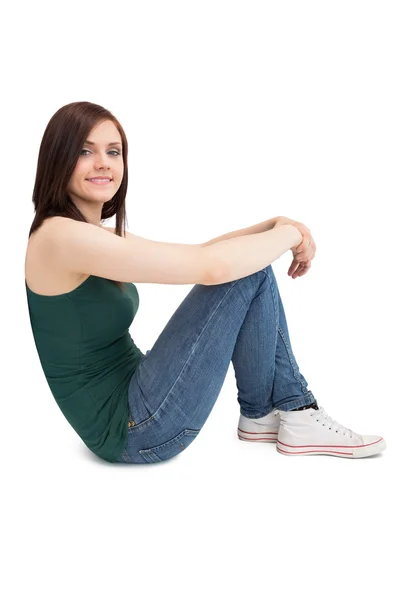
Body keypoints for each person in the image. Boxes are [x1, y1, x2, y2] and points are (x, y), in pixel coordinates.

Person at [25, 101, 386, 464]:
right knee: (247, 269)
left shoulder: (85, 235)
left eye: (113, 151)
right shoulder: (61, 238)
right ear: (59, 157)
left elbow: (201, 251)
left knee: (248, 265)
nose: (103, 162)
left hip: (139, 394)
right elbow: (211, 268)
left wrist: (274, 224)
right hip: (134, 428)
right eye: (86, 150)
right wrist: (290, 236)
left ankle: (264, 415)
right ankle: (292, 408)